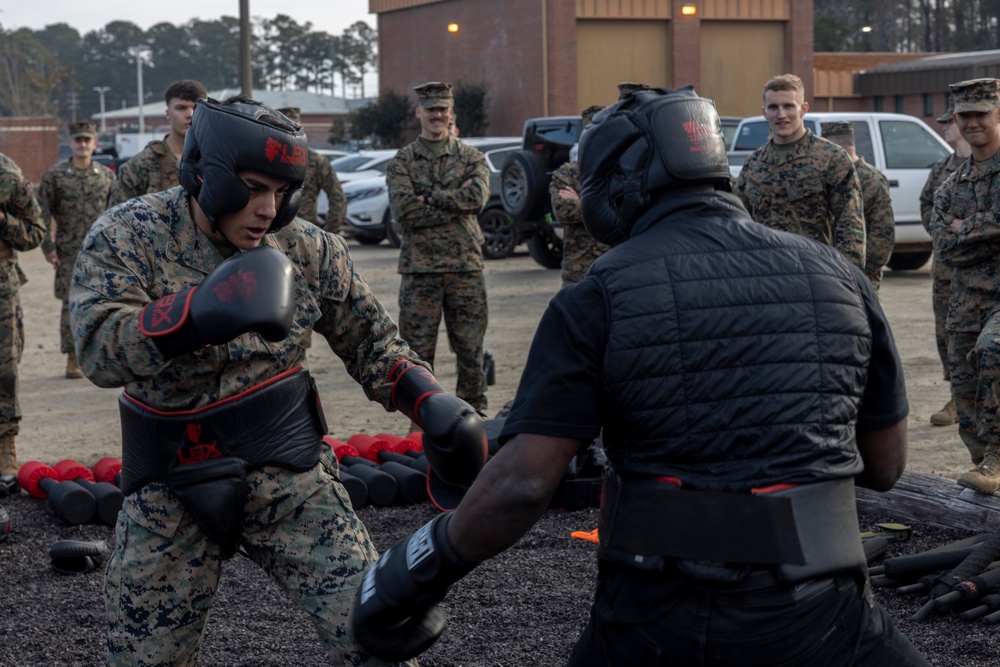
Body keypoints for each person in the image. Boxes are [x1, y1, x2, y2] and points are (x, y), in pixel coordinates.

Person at [351, 86, 929, 667]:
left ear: (624, 182)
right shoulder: (839, 274)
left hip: (663, 613)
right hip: (829, 609)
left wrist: (411, 575)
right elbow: (885, 465)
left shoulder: (599, 293)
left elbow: (522, 486)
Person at [69, 95, 485, 665]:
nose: (267, 208)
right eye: (251, 186)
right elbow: (96, 349)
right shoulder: (130, 234)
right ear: (205, 173)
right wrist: (195, 315)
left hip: (291, 475)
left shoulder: (307, 248)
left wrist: (428, 399)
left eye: (280, 191)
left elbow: (373, 343)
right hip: (169, 484)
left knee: (380, 641)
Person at [386, 81, 490, 411]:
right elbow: (404, 210)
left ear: (451, 113)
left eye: (443, 109)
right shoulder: (403, 160)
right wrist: (454, 203)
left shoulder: (471, 157)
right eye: (431, 109)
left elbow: (477, 199)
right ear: (419, 112)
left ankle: (475, 418)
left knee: (471, 351)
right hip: (420, 272)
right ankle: (421, 423)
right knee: (416, 356)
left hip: (465, 270)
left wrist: (428, 197)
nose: (437, 115)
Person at [929, 77, 1000, 493]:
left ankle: (994, 459)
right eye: (965, 115)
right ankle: (983, 463)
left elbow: (958, 237)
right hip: (966, 301)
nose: (972, 122)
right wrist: (987, 231)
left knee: (994, 351)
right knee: (965, 387)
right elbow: (947, 250)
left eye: (981, 114)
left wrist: (967, 227)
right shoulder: (951, 186)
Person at [736, 73, 866, 268]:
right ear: (764, 112)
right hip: (763, 274)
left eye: (788, 106)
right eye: (773, 107)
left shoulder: (831, 158)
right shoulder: (754, 163)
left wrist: (847, 277)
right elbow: (739, 222)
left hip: (814, 274)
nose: (781, 115)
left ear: (803, 109)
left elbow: (850, 225)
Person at [36, 120, 115, 378]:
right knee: (71, 305)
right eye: (78, 140)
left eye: (87, 140)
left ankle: (102, 355)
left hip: (100, 253)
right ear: (70, 143)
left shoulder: (106, 177)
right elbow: (41, 214)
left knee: (105, 302)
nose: (82, 145)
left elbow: (116, 213)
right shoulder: (55, 177)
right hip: (69, 252)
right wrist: (48, 247)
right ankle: (73, 358)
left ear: (94, 143)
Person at [919, 105, 971, 427]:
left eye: (949, 124)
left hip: (987, 270)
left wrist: (968, 227)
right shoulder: (942, 169)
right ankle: (958, 397)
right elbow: (927, 205)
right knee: (947, 334)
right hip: (946, 268)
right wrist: (943, 229)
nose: (944, 129)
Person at [0, 153, 46, 475]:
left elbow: (36, 231)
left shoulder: (8, 175)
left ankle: (4, 446)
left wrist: (3, 222)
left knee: (4, 369)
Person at [107, 79, 207, 206]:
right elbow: (116, 219)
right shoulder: (140, 167)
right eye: (181, 108)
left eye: (196, 108)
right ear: (167, 114)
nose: (190, 114)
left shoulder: (217, 160)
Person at [820, 121, 894, 290]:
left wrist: (860, 272)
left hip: (860, 278)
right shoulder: (826, 176)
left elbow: (882, 237)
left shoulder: (871, 179)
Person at [550, 105, 609, 287]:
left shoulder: (623, 171)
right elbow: (564, 211)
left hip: (615, 268)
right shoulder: (567, 174)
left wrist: (581, 202)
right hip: (578, 271)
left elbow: (631, 212)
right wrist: (606, 205)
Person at [276, 106, 347, 234]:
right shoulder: (269, 158)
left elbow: (337, 197)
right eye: (285, 128)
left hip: (306, 235)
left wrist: (330, 232)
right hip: (273, 235)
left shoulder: (316, 161)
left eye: (294, 128)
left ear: (301, 128)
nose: (290, 133)